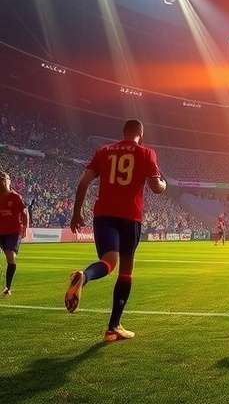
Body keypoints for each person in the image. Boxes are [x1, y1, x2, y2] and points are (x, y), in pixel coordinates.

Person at [65, 119, 167, 342]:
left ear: (123, 132)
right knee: (125, 271)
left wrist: (76, 213)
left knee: (108, 262)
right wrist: (164, 184)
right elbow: (156, 188)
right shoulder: (147, 153)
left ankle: (84, 277)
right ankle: (113, 327)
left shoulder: (104, 151)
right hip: (130, 217)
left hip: (103, 215)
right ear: (141, 133)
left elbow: (83, 183)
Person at [0, 171, 28, 297]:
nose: (2, 181)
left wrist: (25, 228)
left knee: (10, 257)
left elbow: (25, 212)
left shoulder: (15, 197)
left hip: (13, 232)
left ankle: (7, 287)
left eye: (3, 179)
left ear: (8, 181)